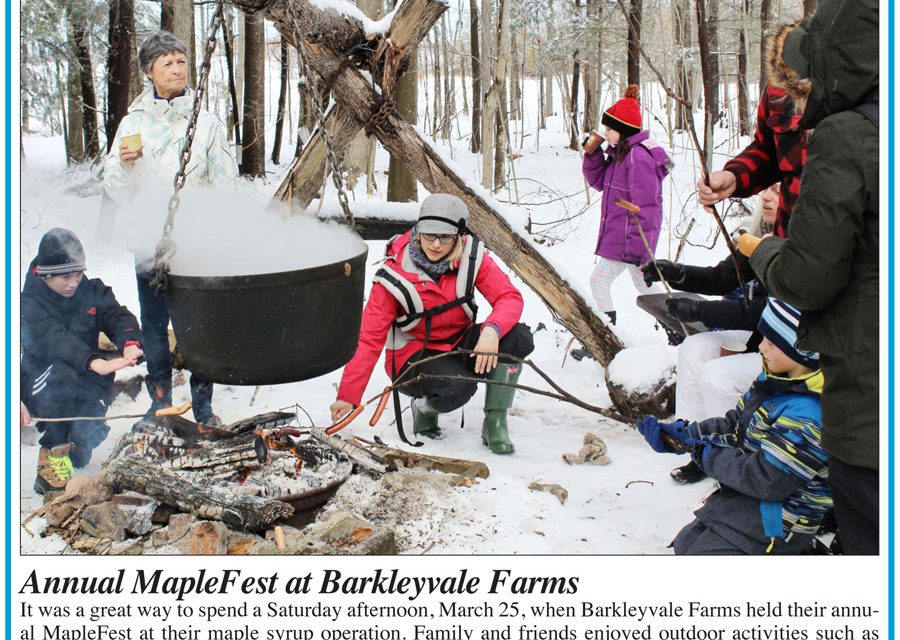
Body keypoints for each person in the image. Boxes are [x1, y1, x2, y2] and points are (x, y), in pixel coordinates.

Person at [740, 0, 879, 554]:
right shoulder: (787, 107)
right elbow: (763, 154)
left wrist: (767, 253)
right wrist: (737, 176)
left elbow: (811, 277)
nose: (800, 90)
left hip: (865, 369)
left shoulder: (848, 134)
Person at [103, 30, 238, 426]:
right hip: (149, 241)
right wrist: (126, 166)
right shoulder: (133, 122)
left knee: (198, 326)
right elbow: (113, 185)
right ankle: (159, 399)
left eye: (181, 61)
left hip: (196, 242)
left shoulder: (207, 122)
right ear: (150, 71)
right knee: (154, 323)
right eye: (168, 63)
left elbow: (225, 182)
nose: (178, 68)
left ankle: (203, 406)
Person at [329, 194, 534, 454]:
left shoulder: (472, 259)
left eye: (445, 237)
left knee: (518, 338)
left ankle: (495, 420)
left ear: (459, 236)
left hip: (459, 341)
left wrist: (492, 331)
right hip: (412, 356)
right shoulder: (394, 273)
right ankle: (424, 407)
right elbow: (369, 338)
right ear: (418, 231)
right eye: (429, 236)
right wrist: (349, 395)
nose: (436, 245)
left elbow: (509, 297)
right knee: (458, 387)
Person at [637, 299, 830, 555]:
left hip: (782, 520)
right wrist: (688, 436)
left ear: (801, 351)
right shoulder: (773, 381)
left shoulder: (808, 413)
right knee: (686, 544)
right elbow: (736, 425)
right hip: (750, 501)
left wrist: (706, 455)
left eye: (772, 343)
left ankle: (799, 552)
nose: (761, 347)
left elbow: (768, 480)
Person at [641, 184, 778, 484]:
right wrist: (676, 273)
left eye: (778, 191)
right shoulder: (759, 235)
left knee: (716, 375)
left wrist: (701, 312)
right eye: (766, 189)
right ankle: (695, 444)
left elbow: (767, 309)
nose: (766, 197)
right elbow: (721, 278)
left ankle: (730, 462)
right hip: (762, 339)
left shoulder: (799, 245)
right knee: (694, 347)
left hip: (792, 351)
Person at [21, 228, 144, 494]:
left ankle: (74, 445)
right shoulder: (28, 303)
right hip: (42, 379)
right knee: (61, 379)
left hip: (85, 374)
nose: (73, 283)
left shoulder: (90, 290)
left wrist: (130, 342)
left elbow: (117, 315)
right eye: (65, 277)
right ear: (46, 275)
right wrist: (93, 362)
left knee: (87, 436)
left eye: (78, 274)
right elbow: (56, 340)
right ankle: (51, 459)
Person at [580, 84, 671, 328]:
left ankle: (605, 332)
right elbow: (599, 182)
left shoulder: (638, 159)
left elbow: (647, 207)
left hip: (629, 241)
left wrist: (636, 248)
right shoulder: (620, 155)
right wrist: (593, 155)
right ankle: (676, 330)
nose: (606, 132)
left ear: (624, 130)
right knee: (646, 286)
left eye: (610, 128)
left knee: (598, 281)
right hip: (625, 239)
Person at [696, 85, 806, 238]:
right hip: (791, 246)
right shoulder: (781, 80)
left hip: (843, 247)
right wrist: (735, 177)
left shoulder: (849, 80)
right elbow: (768, 150)